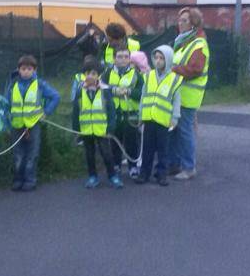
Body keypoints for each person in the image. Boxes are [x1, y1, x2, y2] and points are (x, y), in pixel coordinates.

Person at [6, 55, 61, 191]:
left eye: (29, 69)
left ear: (34, 70)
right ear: (18, 69)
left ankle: (30, 180)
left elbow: (55, 96)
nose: (26, 72)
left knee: (32, 154)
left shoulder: (40, 84)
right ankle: (18, 180)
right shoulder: (13, 84)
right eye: (23, 69)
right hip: (16, 125)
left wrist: (46, 112)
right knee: (18, 154)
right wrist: (6, 121)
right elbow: (6, 103)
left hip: (33, 125)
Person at [169, 7, 209, 181]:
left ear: (194, 23)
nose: (180, 23)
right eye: (179, 20)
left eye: (184, 20)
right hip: (178, 94)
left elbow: (195, 69)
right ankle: (175, 164)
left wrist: (172, 70)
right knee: (176, 131)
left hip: (188, 96)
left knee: (185, 131)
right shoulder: (183, 42)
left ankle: (188, 167)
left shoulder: (198, 44)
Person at [136, 45, 182, 186]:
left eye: (161, 58)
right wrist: (140, 115)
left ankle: (161, 174)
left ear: (168, 60)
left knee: (163, 150)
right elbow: (144, 96)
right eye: (156, 58)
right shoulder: (148, 76)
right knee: (147, 149)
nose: (158, 61)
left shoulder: (174, 79)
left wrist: (175, 117)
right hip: (149, 118)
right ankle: (144, 173)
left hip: (163, 120)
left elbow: (176, 100)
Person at [72, 58, 121, 189]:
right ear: (84, 75)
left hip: (102, 130)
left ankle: (112, 176)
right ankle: (92, 177)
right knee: (89, 155)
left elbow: (111, 110)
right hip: (86, 130)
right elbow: (76, 111)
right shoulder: (79, 92)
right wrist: (76, 130)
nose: (90, 76)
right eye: (87, 73)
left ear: (98, 75)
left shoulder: (105, 91)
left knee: (106, 154)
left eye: (93, 73)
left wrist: (111, 128)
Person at [103, 48, 143, 178]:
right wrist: (114, 91)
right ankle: (116, 165)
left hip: (130, 114)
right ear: (114, 59)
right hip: (114, 113)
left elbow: (142, 93)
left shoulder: (136, 74)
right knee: (115, 140)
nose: (123, 59)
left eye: (126, 57)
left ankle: (133, 167)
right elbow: (101, 88)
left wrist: (129, 92)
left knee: (132, 141)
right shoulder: (107, 73)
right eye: (120, 57)